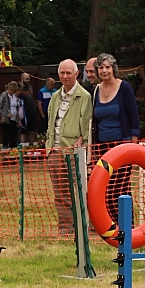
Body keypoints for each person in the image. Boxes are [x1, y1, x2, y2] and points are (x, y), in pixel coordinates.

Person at [91, 53, 141, 224]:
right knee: (106, 188)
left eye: (107, 67)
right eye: (101, 67)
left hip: (122, 145)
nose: (104, 70)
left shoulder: (124, 88)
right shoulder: (96, 90)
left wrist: (133, 139)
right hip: (103, 147)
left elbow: (133, 114)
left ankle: (127, 224)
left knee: (119, 189)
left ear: (113, 69)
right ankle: (112, 225)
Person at [45, 59, 92, 236]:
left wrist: (83, 142)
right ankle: (66, 228)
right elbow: (51, 122)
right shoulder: (55, 96)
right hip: (55, 151)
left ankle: (86, 225)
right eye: (62, 73)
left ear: (76, 74)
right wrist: (49, 147)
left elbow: (87, 124)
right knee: (60, 193)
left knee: (81, 191)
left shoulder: (84, 96)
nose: (65, 76)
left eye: (68, 73)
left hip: (74, 152)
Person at [0, 81, 20, 148]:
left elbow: (17, 108)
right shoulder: (4, 95)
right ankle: (6, 149)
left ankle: (14, 150)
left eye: (14, 90)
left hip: (14, 119)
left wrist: (18, 119)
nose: (12, 91)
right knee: (7, 136)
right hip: (6, 120)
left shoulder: (15, 96)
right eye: (11, 90)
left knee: (14, 136)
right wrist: (6, 114)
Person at [19, 73, 39, 145]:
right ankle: (23, 146)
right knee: (23, 130)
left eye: (29, 79)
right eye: (26, 79)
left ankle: (31, 144)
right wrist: (21, 86)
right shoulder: (19, 87)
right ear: (22, 79)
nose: (28, 80)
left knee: (33, 129)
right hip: (24, 111)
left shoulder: (30, 86)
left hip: (32, 110)